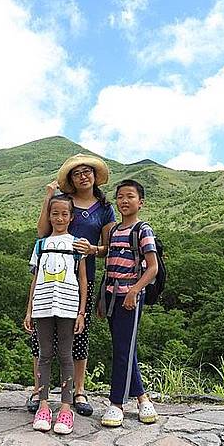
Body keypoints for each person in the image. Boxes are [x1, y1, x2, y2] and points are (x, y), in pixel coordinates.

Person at [25, 153, 116, 417]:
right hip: (51, 278)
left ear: (95, 175)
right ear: (70, 179)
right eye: (77, 173)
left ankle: (78, 390)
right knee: (41, 338)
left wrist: (93, 249)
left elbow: (108, 247)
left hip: (81, 276)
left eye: (87, 171)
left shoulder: (104, 207)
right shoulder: (63, 203)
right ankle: (38, 390)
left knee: (78, 335)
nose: (83, 176)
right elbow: (42, 232)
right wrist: (47, 198)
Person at [24, 194, 87, 434]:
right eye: (54, 213)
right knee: (44, 354)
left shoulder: (77, 244)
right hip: (42, 306)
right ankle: (42, 405)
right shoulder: (40, 244)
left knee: (65, 355)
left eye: (64, 214)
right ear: (49, 216)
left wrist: (81, 312)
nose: (59, 218)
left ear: (71, 217)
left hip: (69, 306)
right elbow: (35, 279)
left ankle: (65, 408)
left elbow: (82, 279)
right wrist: (29, 309)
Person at [99, 179, 159, 428]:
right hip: (112, 295)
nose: (124, 201)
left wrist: (135, 291)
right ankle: (143, 398)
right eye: (120, 196)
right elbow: (108, 259)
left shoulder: (142, 230)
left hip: (130, 298)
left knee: (122, 350)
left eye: (130, 196)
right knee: (125, 348)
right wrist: (103, 299)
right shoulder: (113, 231)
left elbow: (152, 267)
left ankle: (116, 404)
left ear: (140, 202)